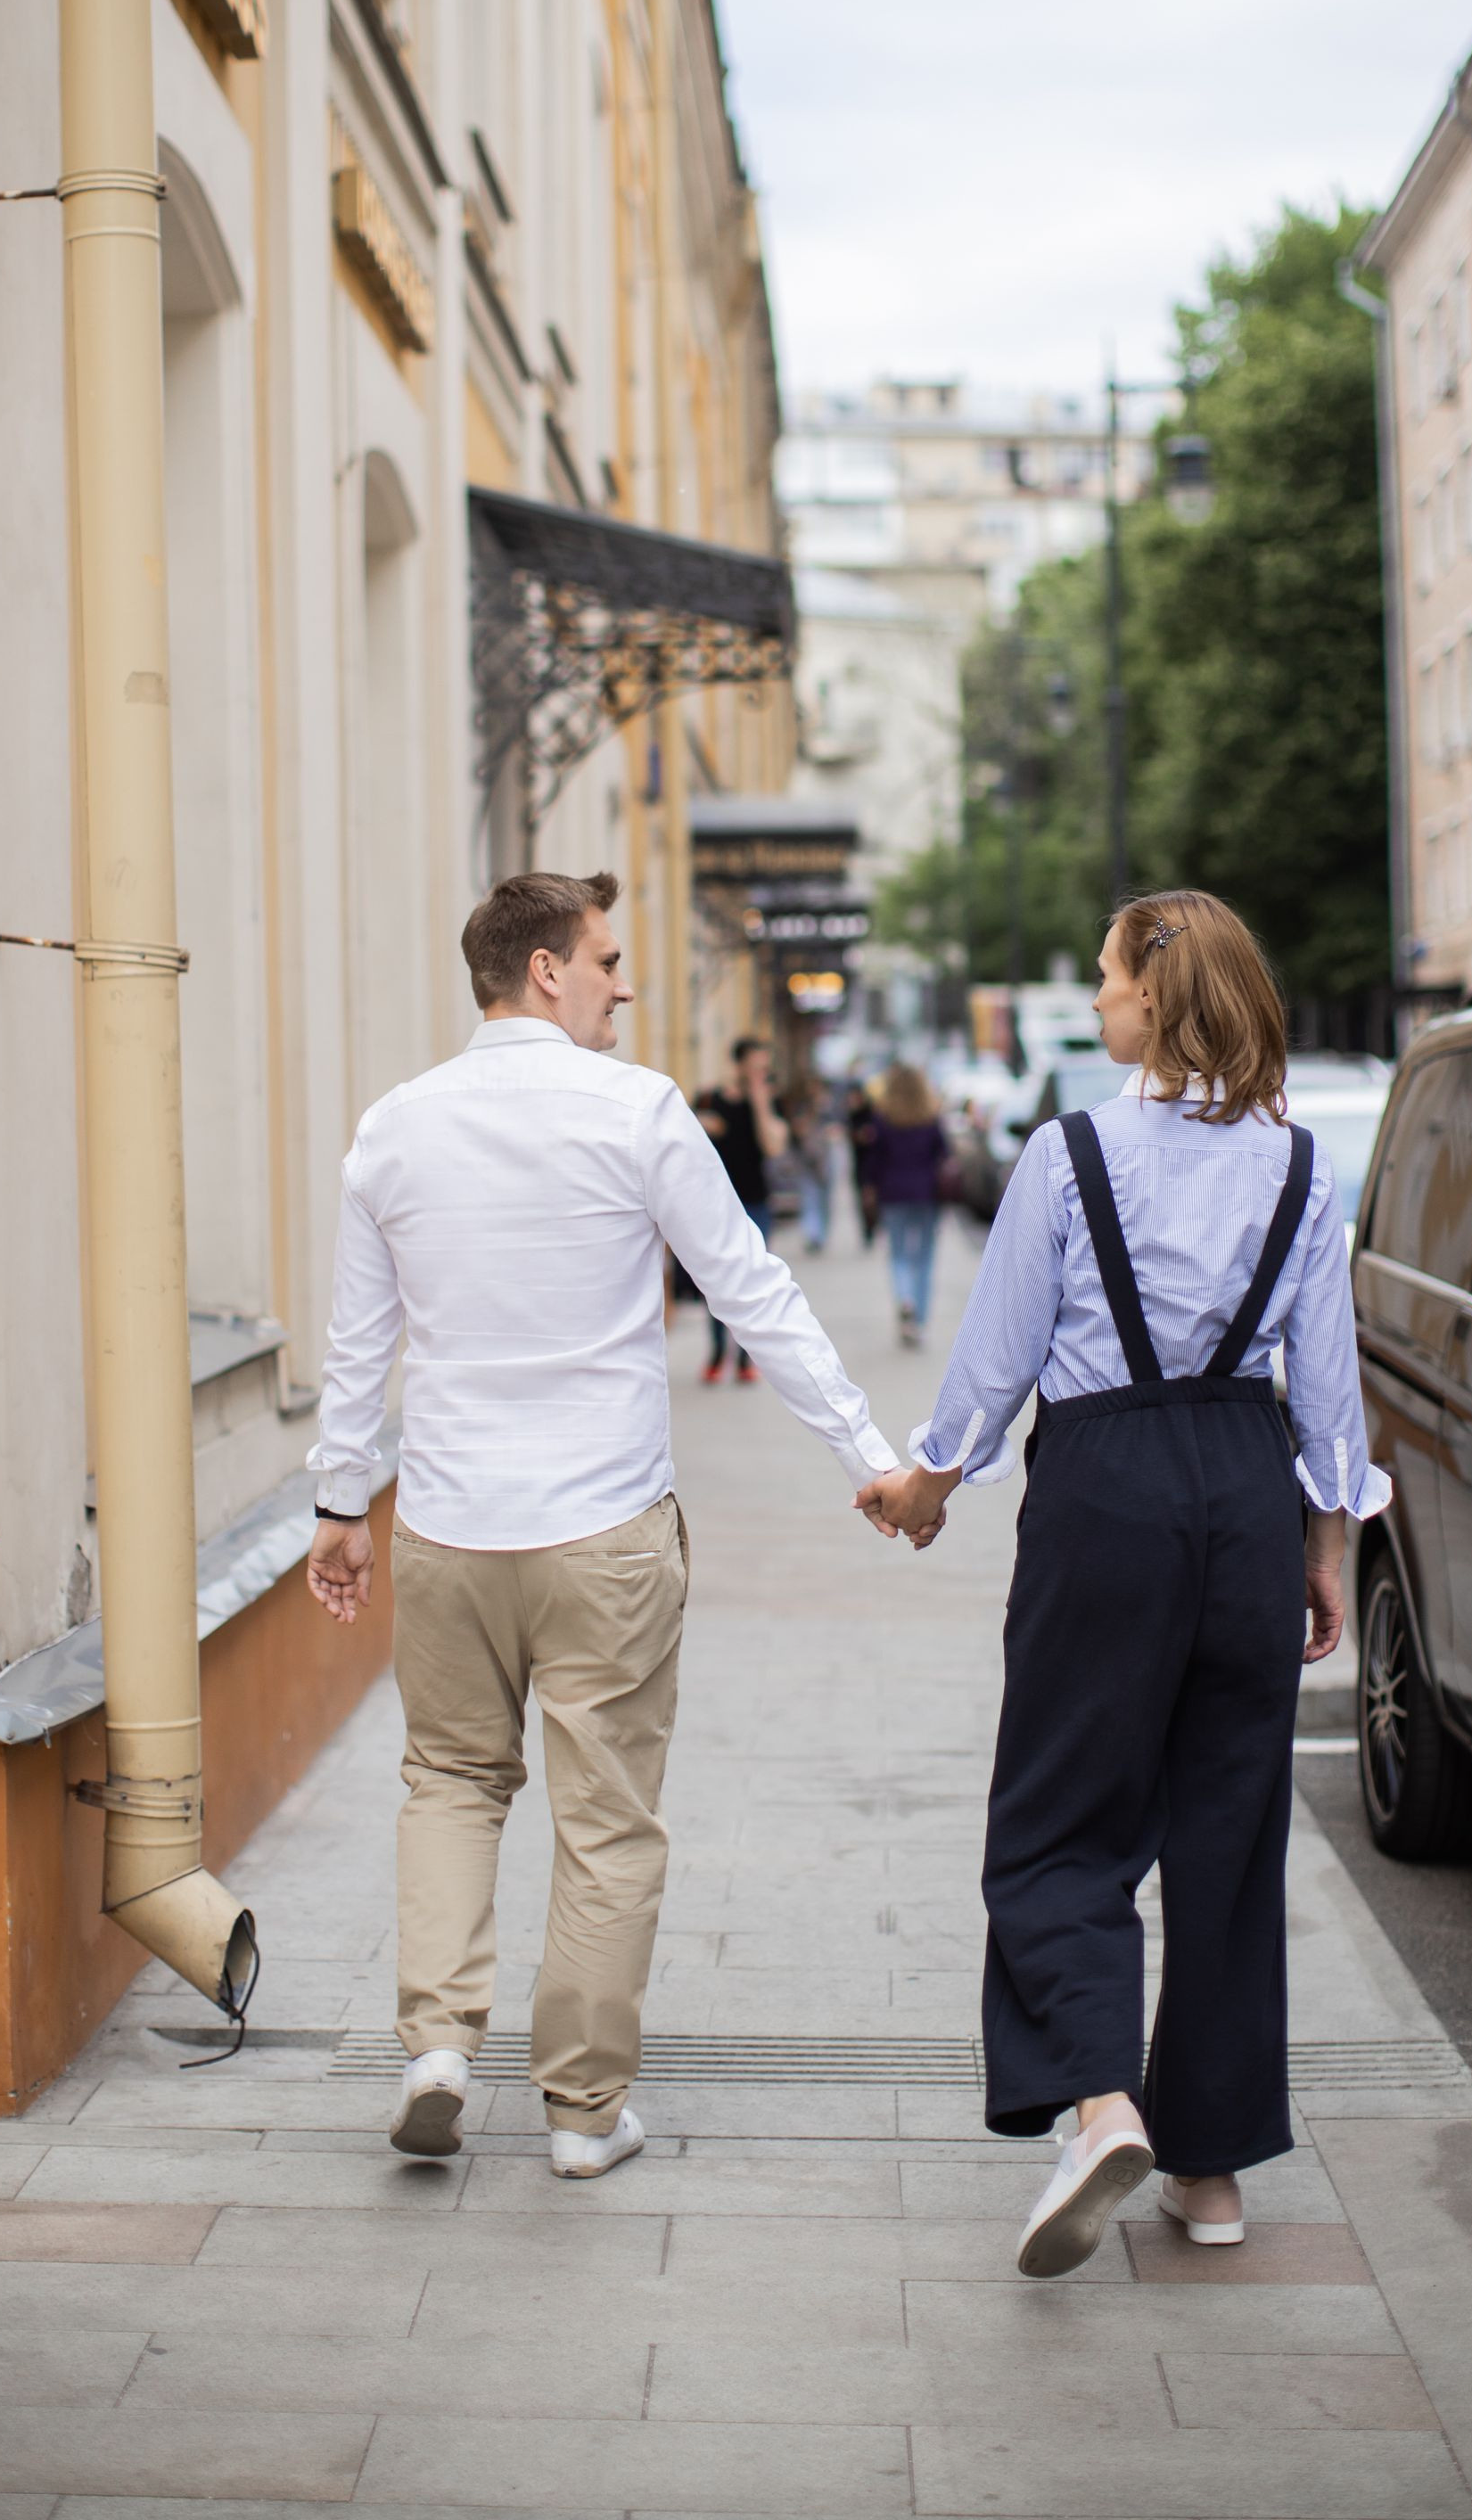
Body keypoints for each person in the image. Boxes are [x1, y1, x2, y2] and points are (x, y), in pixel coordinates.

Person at [305, 874, 905, 2179]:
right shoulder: (636, 1112)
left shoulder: (394, 1129)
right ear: (543, 973)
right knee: (608, 1818)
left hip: (450, 1531)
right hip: (604, 1531)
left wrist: (340, 1506)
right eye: (608, 960)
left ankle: (438, 2048)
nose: (625, 984)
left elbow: (362, 1342)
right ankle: (581, 2114)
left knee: (451, 1784)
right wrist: (868, 1454)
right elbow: (750, 1288)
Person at [859, 891, 1384, 2278]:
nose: (1093, 1002)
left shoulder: (1071, 1153)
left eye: (1104, 979)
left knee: (1059, 1818)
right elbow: (1329, 1384)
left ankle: (1101, 2104)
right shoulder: (1301, 1165)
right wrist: (1324, 1548)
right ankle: (1209, 2176)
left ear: (1154, 996)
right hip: (1246, 1478)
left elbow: (999, 1352)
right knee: (1227, 1834)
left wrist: (931, 1480)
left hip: (1107, 1490)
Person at [692, 1037, 788, 1383]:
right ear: (740, 1064)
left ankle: (747, 1360)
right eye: (756, 1064)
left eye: (765, 1066)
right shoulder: (711, 1099)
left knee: (752, 1284)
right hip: (715, 1204)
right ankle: (718, 1353)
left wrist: (761, 1100)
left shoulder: (768, 1103)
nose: (761, 1071)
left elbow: (773, 1146)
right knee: (715, 1282)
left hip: (756, 1203)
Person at [862, 1061, 948, 1347]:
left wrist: (869, 1187)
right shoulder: (930, 1116)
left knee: (898, 1253)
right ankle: (919, 1320)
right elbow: (943, 1154)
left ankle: (905, 1300)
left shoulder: (883, 1117)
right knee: (924, 1257)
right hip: (926, 1194)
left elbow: (874, 1159)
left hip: (893, 1193)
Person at [785, 1076, 836, 1252]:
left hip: (824, 1159)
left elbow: (838, 1128)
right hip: (805, 1159)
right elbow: (796, 1130)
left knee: (823, 1198)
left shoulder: (828, 1108)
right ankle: (813, 1234)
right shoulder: (801, 1109)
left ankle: (819, 1233)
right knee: (810, 1197)